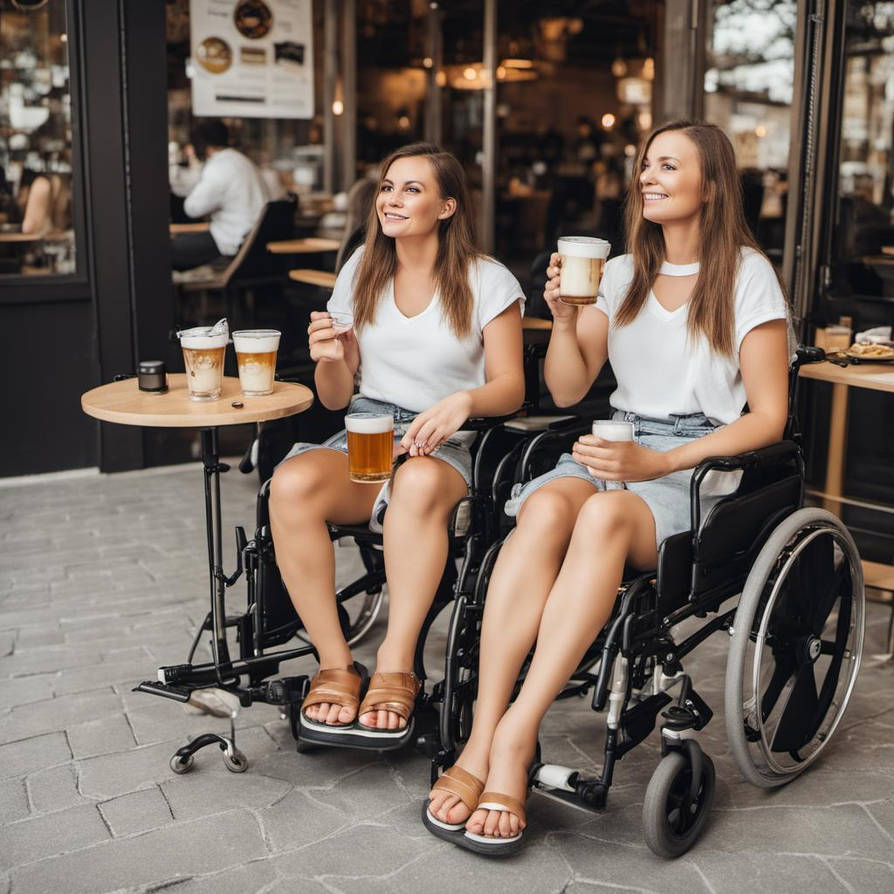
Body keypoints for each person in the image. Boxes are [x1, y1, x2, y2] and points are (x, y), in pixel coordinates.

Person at [424, 120, 792, 854]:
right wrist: (563, 320)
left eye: (667, 165)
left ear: (711, 186)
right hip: (617, 438)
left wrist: (662, 466)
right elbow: (566, 391)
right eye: (644, 166)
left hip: (695, 461)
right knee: (548, 508)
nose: (647, 177)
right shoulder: (618, 275)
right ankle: (484, 734)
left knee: (600, 521)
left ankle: (513, 737)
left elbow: (771, 417)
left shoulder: (746, 274)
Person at [269, 143, 525, 747]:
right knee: (292, 483)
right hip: (369, 428)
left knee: (413, 483)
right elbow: (335, 397)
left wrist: (464, 400)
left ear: (447, 206)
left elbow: (512, 388)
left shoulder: (487, 279)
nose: (391, 199)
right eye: (387, 187)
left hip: (451, 437)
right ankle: (336, 663)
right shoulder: (362, 267)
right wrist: (329, 359)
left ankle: (396, 664)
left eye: (411, 188)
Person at [170, 120, 270, 271]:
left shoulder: (219, 167)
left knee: (163, 251)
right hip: (253, 239)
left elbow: (192, 208)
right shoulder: (241, 160)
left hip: (232, 241)